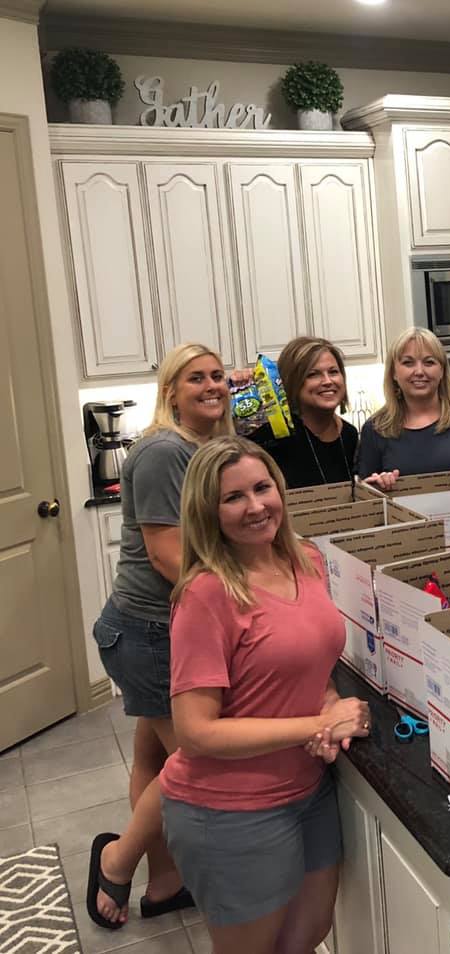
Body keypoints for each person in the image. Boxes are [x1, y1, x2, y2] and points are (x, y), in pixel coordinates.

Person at [155, 436, 369, 953]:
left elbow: (311, 664)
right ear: (208, 511)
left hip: (307, 792)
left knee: (306, 937)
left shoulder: (306, 560)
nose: (255, 507)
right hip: (230, 811)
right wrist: (319, 725)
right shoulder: (206, 595)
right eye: (233, 498)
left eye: (262, 487)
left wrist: (326, 705)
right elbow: (196, 731)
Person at [87, 343, 236, 929]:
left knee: (153, 757)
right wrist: (242, 595)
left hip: (162, 627)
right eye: (194, 378)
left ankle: (166, 883)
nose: (211, 386)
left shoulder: (203, 448)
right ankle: (117, 862)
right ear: (170, 390)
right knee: (195, 763)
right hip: (151, 630)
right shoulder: (160, 450)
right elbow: (168, 554)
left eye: (218, 377)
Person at [358, 327, 450, 490]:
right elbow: (367, 503)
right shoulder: (375, 429)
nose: (419, 371)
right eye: (408, 362)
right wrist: (378, 488)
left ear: (442, 369)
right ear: (393, 372)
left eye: (429, 362)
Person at [249, 336, 358, 488]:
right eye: (313, 374)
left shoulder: (349, 435)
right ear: (292, 380)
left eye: (333, 372)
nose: (327, 381)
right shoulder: (274, 437)